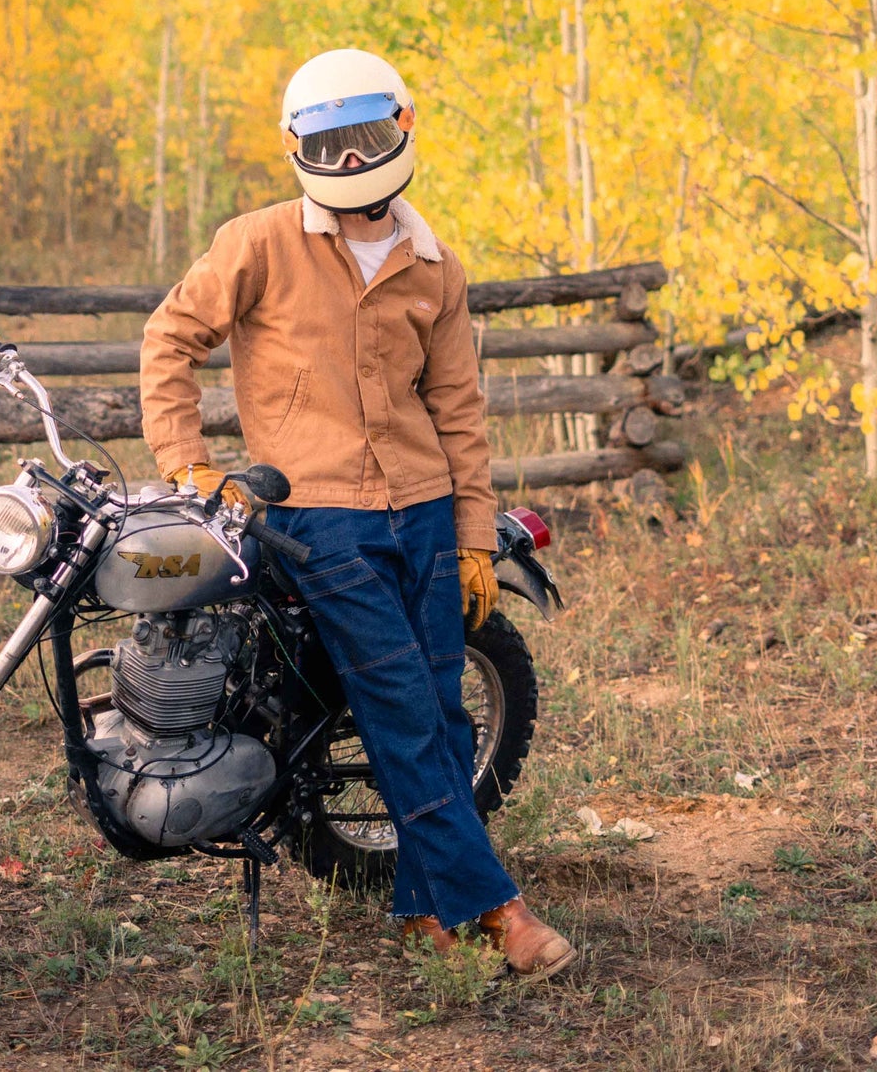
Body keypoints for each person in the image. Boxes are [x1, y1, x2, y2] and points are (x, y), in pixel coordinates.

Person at [139, 47, 575, 976]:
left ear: (401, 127)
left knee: (447, 721)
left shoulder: (434, 265)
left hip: (422, 510)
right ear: (298, 147)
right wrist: (189, 463)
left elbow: (458, 413)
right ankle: (497, 908)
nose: (347, 162)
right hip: (314, 517)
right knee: (405, 711)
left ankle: (422, 912)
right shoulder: (257, 242)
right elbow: (169, 337)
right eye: (327, 145)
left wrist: (468, 536)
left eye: (364, 139)